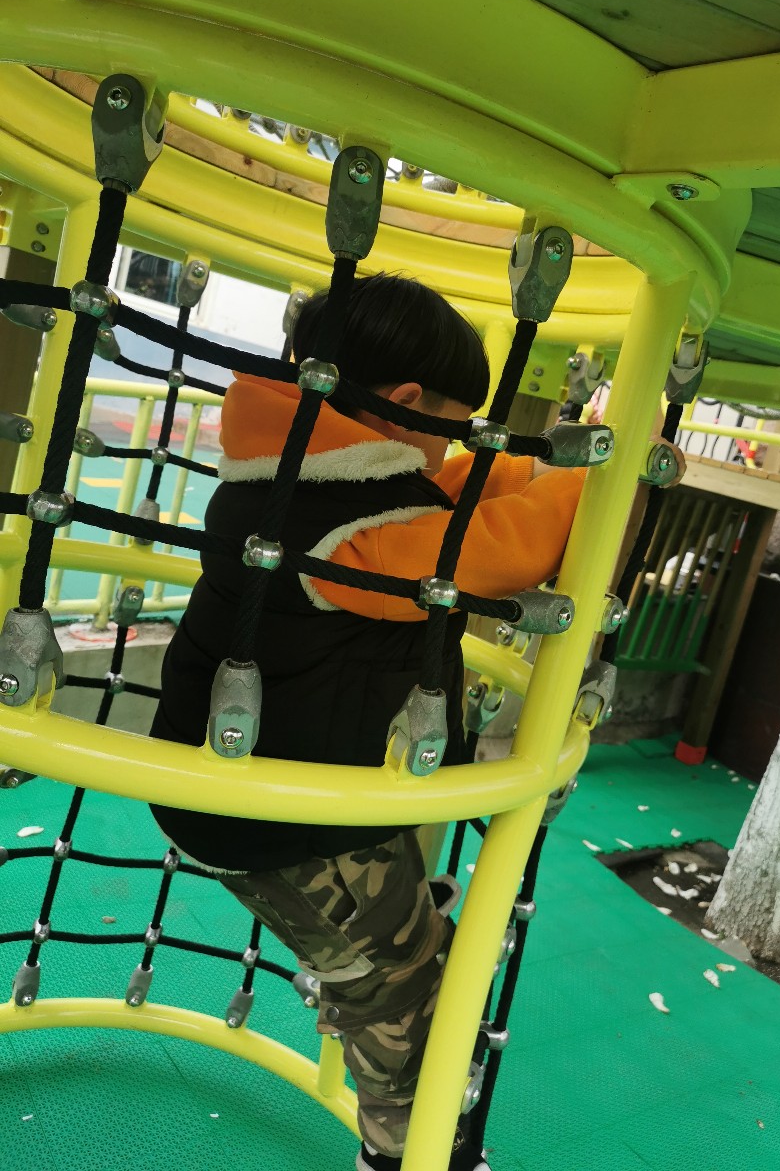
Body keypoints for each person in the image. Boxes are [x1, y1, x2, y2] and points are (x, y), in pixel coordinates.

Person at [149, 274, 588, 1170]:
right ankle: (401, 1151)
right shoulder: (354, 535)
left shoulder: (287, 478)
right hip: (287, 826)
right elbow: (502, 549)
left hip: (265, 790)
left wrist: (520, 464)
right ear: (404, 404)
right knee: (404, 994)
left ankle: (352, 963)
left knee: (389, 947)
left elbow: (445, 488)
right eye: (449, 429)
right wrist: (591, 483)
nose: (450, 452)